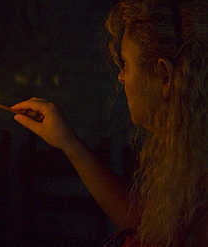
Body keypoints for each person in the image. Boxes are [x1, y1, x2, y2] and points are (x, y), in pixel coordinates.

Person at [11, 0, 208, 246]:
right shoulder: (188, 160)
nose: (121, 77)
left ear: (164, 75)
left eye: (125, 63)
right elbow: (148, 229)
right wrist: (69, 144)